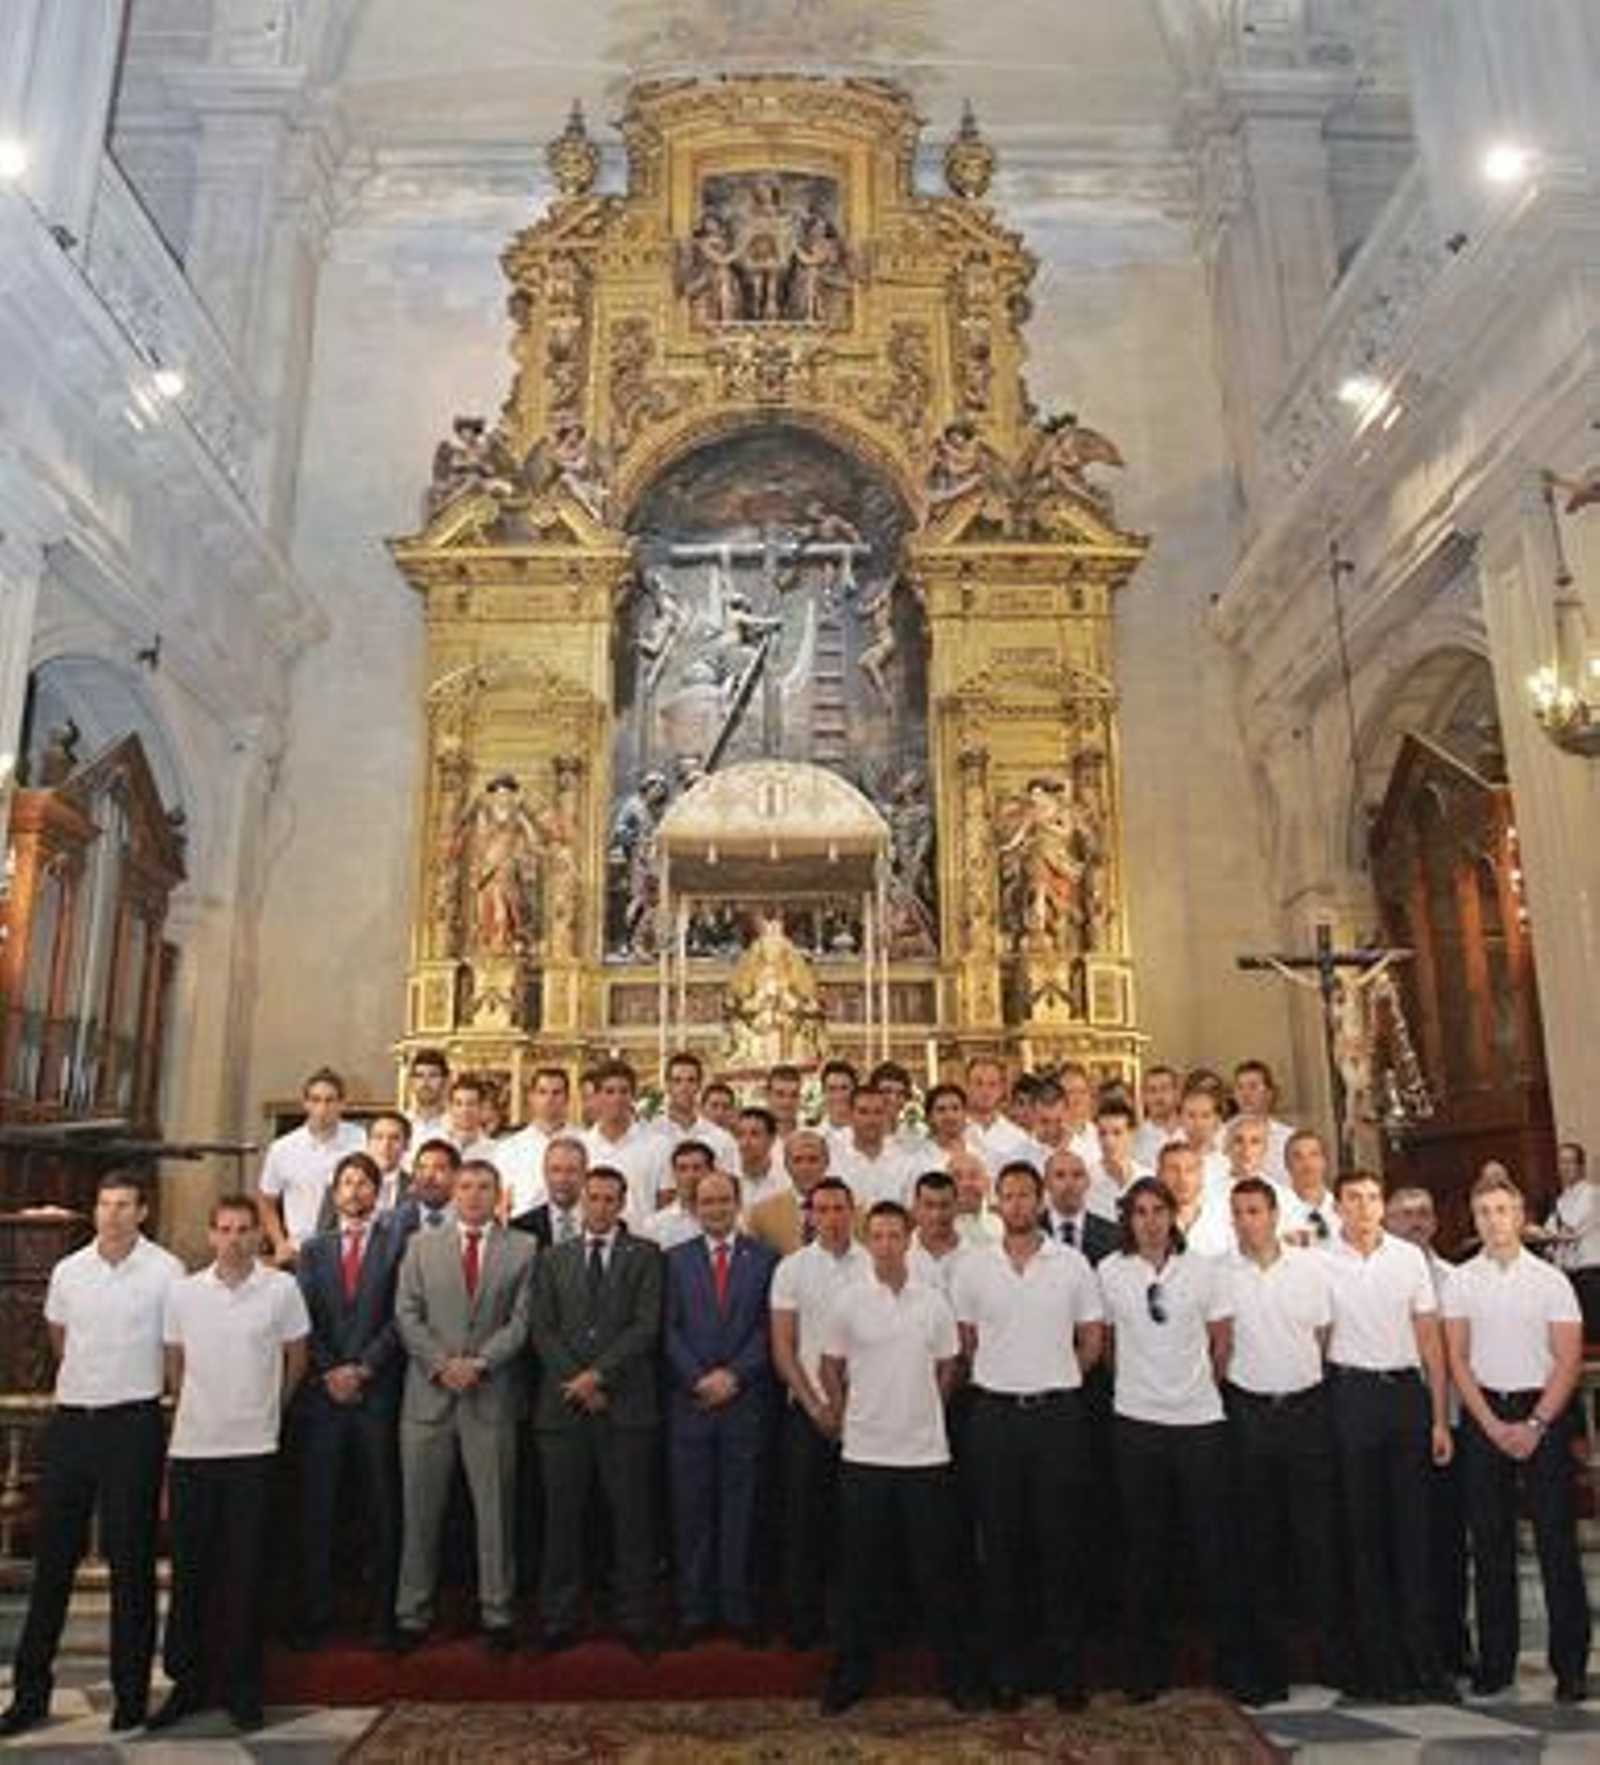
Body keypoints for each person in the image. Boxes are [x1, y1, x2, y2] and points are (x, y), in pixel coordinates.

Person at [1, 1172, 182, 1739]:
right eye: (105, 1204)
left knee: (131, 1563)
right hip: (74, 1421)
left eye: (124, 1205)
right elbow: (60, 1339)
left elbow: (174, 1348)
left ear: (143, 1212)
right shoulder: (68, 1271)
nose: (112, 1214)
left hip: (133, 1421)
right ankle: (31, 1692)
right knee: (53, 1563)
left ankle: (131, 1696)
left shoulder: (165, 1271)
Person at [818, 1202, 983, 1715]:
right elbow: (830, 1368)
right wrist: (850, 1417)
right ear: (868, 1242)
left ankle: (955, 1675)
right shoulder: (848, 1302)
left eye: (895, 1235)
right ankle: (850, 1674)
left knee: (938, 1571)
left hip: (925, 1456)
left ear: (909, 1239)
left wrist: (920, 1411)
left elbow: (947, 1368)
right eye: (879, 1236)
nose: (887, 1244)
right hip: (865, 1455)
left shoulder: (932, 1302)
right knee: (859, 1572)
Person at [153, 1195, 309, 1733]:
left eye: (245, 1229)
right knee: (191, 1572)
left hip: (254, 1449)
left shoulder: (281, 1289)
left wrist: (268, 1410)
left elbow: (297, 1359)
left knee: (246, 1572)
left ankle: (244, 1687)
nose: (236, 1238)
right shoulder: (183, 1293)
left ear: (257, 1238)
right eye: (225, 1229)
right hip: (195, 1447)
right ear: (211, 1236)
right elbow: (174, 1362)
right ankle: (187, 1682)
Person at [953, 1161, 1104, 1712]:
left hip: (1057, 1417)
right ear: (997, 1203)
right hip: (995, 1418)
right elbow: (966, 1340)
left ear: (1040, 1201)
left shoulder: (1071, 1265)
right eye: (1007, 1195)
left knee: (1061, 1544)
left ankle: (1065, 1669)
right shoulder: (974, 1267)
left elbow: (1091, 1339)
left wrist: (1057, 1377)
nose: (1016, 1204)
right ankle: (1007, 1670)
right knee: (1002, 1546)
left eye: (1025, 1195)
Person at [1097, 1175, 1244, 1704]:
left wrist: (1195, 1388)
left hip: (1200, 1422)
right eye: (1139, 1212)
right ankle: (1143, 1668)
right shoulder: (1110, 1272)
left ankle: (1233, 1664)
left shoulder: (1203, 1270)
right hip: (1137, 1424)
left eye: (1159, 1210)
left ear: (1172, 1216)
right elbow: (1109, 1346)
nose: (1150, 1221)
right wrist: (1143, 1390)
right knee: (1144, 1549)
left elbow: (1222, 1343)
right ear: (1128, 1220)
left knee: (1216, 1545)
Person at [1445, 1168, 1590, 1702]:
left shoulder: (1550, 1280)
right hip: (1486, 1415)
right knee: (1489, 1543)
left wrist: (1534, 1424)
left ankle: (1570, 1664)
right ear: (1474, 1219)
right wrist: (1489, 1424)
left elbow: (1568, 1358)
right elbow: (1457, 1358)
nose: (1493, 1220)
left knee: (1556, 1542)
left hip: (1541, 1415)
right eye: (1483, 1212)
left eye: (1502, 1210)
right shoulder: (1460, 1280)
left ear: (1520, 1215)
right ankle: (1496, 1661)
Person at [1321, 1168, 1457, 1703]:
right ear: (1338, 1207)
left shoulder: (1408, 1260)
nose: (1364, 1207)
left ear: (1383, 1206)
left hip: (1405, 1396)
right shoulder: (1320, 1261)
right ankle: (1381, 1667)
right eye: (1352, 1199)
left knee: (1414, 1532)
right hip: (1351, 1395)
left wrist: (1439, 1417)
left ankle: (1427, 1663)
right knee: (1364, 1533)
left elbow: (1430, 1338)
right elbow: (1318, 1336)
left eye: (1372, 1198)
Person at [393, 1158, 535, 1653]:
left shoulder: (524, 1248)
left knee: (496, 1512)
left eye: (484, 1187)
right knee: (420, 1511)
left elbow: (522, 1320)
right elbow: (406, 1313)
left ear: (498, 1195)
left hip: (489, 1394)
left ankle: (497, 1613)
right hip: (428, 1397)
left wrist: (479, 1363)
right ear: (453, 1192)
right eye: (467, 1186)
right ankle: (412, 1614)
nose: (474, 1195)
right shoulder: (420, 1246)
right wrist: (441, 1364)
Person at [529, 1165, 664, 1654]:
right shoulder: (552, 1258)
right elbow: (542, 1328)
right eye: (594, 1198)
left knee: (632, 1521)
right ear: (581, 1202)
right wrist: (578, 1381)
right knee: (561, 1520)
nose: (601, 1207)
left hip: (625, 1408)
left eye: (611, 1199)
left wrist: (599, 1376)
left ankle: (637, 1618)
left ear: (623, 1203)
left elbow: (646, 1327)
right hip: (563, 1410)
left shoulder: (646, 1256)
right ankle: (559, 1618)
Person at [1221, 1178, 1346, 1702]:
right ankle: (1266, 1666)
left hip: (1305, 1410)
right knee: (1260, 1543)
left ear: (1273, 1214)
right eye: (1239, 1212)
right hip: (1250, 1411)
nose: (1248, 1220)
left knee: (1318, 1538)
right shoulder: (1222, 1274)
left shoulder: (1310, 1268)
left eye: (1255, 1210)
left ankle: (1336, 1658)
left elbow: (1323, 1335)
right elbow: (1220, 1344)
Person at [293, 1152, 414, 1650]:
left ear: (377, 1191)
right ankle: (315, 1614)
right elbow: (302, 1321)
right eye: (347, 1182)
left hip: (376, 1393)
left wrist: (365, 1367)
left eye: (365, 1182)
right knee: (318, 1508)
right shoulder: (314, 1250)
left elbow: (401, 1316)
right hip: (324, 1396)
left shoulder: (398, 1246)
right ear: (335, 1191)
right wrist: (329, 1369)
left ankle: (383, 1616)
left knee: (382, 1508)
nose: (356, 1191)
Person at [664, 1172, 778, 1642]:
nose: (714, 1208)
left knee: (741, 1510)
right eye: (706, 1201)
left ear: (737, 1203)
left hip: (744, 1402)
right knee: (691, 1510)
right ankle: (694, 1609)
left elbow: (770, 1329)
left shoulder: (766, 1259)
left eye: (723, 1200)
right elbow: (665, 1330)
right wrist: (697, 1378)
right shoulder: (673, 1261)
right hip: (689, 1406)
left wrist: (735, 1375)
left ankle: (738, 1608)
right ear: (694, 1207)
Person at [768, 1177, 870, 1650]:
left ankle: (857, 1622)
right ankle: (804, 1623)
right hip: (806, 1413)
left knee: (859, 1527)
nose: (830, 1217)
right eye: (821, 1209)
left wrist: (850, 1406)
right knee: (803, 1523)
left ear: (854, 1213)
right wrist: (814, 1404)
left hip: (868, 1417)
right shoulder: (791, 1269)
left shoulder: (875, 1264)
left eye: (839, 1208)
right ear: (808, 1215)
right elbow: (783, 1345)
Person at [1387, 1181, 1470, 1678]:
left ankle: (1452, 1640)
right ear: (1388, 1222)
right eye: (1404, 1214)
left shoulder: (1455, 1280)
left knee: (1446, 1540)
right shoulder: (1377, 1277)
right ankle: (1408, 1642)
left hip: (1451, 1424)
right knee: (1401, 1538)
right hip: (1395, 1425)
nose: (1415, 1221)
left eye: (1423, 1212)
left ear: (1435, 1222)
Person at [258, 1066, 365, 1264]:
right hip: (300, 1251)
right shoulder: (283, 1148)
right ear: (305, 1104)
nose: (322, 1109)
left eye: (330, 1100)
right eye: (315, 1100)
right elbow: (266, 1201)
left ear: (342, 1104)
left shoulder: (362, 1141)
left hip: (351, 1250)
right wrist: (280, 1242)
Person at [581, 1058, 669, 1229]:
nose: (617, 1098)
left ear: (633, 1096)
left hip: (643, 1243)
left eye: (624, 1091)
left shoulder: (659, 1145)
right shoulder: (580, 1146)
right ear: (597, 1096)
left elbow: (665, 1203)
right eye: (610, 1091)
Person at [495, 1066, 574, 1218]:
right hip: (524, 1230)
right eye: (542, 1092)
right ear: (531, 1097)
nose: (549, 1099)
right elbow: (501, 1201)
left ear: (567, 1098)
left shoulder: (585, 1141)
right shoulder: (509, 1147)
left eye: (556, 1093)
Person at [1544, 1141, 1599, 1341]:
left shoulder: (1591, 1193)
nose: (1563, 1168)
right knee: (1579, 1333)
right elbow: (1549, 1232)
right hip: (1569, 1274)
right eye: (1560, 1162)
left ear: (1581, 1167)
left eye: (1569, 1162)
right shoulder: (1561, 1199)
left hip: (1591, 1272)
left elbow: (1570, 1229)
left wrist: (1545, 1235)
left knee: (1594, 1330)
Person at [831, 1082, 916, 1208]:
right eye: (863, 1112)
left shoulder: (905, 1160)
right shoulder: (834, 1160)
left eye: (878, 1112)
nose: (871, 1120)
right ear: (850, 1115)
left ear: (885, 1115)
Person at [747, 1127, 830, 1255]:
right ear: (786, 1165)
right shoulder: (761, 1214)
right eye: (797, 1160)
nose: (805, 1167)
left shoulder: (854, 1210)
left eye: (813, 1160)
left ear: (826, 1163)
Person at [654, 1050, 738, 1172]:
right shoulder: (651, 1133)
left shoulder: (721, 1138)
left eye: (691, 1080)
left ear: (699, 1085)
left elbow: (730, 1184)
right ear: (667, 1085)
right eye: (677, 1080)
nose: (684, 1087)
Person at [1041, 1147, 1120, 1263]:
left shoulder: (1114, 1235)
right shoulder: (1029, 1232)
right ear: (1046, 1183)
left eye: (1077, 1175)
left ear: (1087, 1182)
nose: (1069, 1184)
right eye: (1060, 1175)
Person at [508, 1133, 588, 1247]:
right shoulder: (519, 1228)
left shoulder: (608, 1224)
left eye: (571, 1170)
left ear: (584, 1174)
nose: (563, 1179)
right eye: (556, 1170)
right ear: (545, 1173)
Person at [964, 1056, 1035, 1177]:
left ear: (1002, 1089)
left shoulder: (1018, 1138)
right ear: (967, 1086)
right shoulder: (954, 1133)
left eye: (992, 1084)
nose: (985, 1090)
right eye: (978, 1083)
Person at [1231, 1059, 1295, 1182]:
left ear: (1269, 1093)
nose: (1245, 1094)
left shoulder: (1289, 1137)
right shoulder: (1221, 1135)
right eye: (1240, 1087)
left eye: (1253, 1087)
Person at [643, 1138, 713, 1250]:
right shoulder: (655, 1226)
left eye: (697, 1168)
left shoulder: (734, 1221)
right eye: (682, 1169)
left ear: (711, 1171)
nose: (690, 1175)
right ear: (674, 1174)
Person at [909, 1168, 969, 1296]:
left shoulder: (977, 1255)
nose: (936, 1214)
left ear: (957, 1206)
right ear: (916, 1207)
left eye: (944, 1205)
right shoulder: (900, 1254)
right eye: (929, 1205)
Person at [1279, 1129, 1339, 1245]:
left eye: (1314, 1155)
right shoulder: (1276, 1208)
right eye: (1298, 1157)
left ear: (1324, 1161)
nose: (1307, 1163)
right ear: (1287, 1164)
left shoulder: (1344, 1209)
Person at [399, 1137, 461, 1234]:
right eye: (422, 1168)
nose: (429, 1176)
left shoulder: (473, 1220)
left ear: (457, 1176)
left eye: (439, 1168)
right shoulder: (393, 1222)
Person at [733, 1105, 788, 1210]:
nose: (746, 1142)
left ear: (771, 1139)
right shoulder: (727, 1179)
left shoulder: (786, 1181)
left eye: (754, 1134)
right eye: (741, 1134)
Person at [1132, 1062, 1183, 1166]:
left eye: (1164, 1089)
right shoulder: (1135, 1139)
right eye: (1152, 1090)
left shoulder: (1192, 1132)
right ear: (1144, 1097)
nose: (1158, 1096)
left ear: (1177, 1093)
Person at [405, 1048, 451, 1150]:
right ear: (411, 1082)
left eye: (433, 1075)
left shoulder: (456, 1125)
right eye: (419, 1076)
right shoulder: (401, 1124)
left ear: (446, 1080)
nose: (425, 1083)